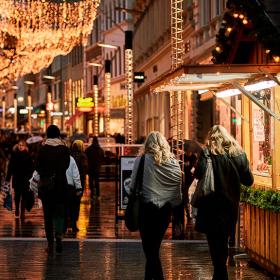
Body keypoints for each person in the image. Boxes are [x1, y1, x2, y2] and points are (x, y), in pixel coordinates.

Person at [194, 125, 254, 280]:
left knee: (213, 241)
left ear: (211, 138)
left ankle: (219, 272)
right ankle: (221, 272)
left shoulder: (207, 153)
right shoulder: (238, 154)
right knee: (224, 239)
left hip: (210, 205)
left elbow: (198, 174)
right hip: (229, 206)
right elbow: (248, 180)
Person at [130, 131, 182, 280]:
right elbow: (177, 190)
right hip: (165, 211)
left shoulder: (141, 161)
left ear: (147, 144)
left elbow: (132, 186)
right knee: (154, 248)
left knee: (149, 249)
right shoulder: (173, 163)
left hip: (146, 210)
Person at [36, 125, 70, 254]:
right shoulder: (64, 149)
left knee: (48, 216)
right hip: (61, 186)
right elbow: (66, 166)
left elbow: (38, 167)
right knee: (60, 214)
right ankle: (59, 237)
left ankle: (50, 244)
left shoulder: (43, 149)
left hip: (47, 187)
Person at [5, 140, 34, 219]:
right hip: (17, 178)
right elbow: (10, 167)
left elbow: (31, 168)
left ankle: (22, 212)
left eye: (22, 145)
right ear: (17, 146)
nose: (21, 146)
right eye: (19, 145)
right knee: (17, 196)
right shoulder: (14, 155)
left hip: (25, 179)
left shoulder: (28, 155)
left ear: (25, 147)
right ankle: (17, 209)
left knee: (24, 195)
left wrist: (31, 178)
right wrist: (8, 178)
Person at [69, 140, 88, 232]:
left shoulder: (68, 156)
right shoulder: (83, 156)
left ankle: (68, 222)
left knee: (68, 203)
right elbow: (85, 168)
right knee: (76, 203)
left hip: (69, 183)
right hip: (79, 182)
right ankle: (74, 223)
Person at [65, 155, 83, 234]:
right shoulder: (70, 158)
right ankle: (73, 225)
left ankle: (63, 227)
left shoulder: (55, 157)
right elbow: (76, 174)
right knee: (73, 206)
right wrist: (78, 187)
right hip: (70, 186)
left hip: (59, 186)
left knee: (63, 207)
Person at [85, 136, 104, 201]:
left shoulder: (88, 149)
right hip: (97, 168)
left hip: (90, 168)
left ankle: (92, 195)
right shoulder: (100, 149)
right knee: (97, 181)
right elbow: (102, 157)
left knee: (91, 181)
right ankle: (98, 195)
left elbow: (85, 157)